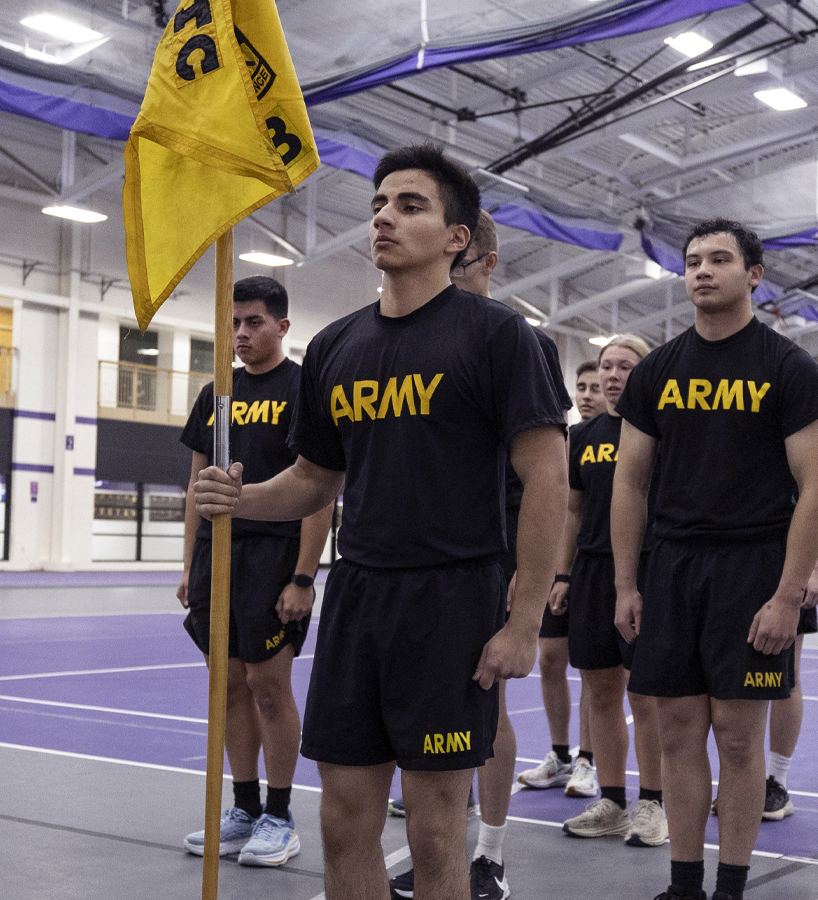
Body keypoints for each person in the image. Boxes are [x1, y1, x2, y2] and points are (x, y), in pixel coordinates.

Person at [192, 146, 567, 900]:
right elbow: (313, 478)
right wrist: (241, 499)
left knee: (433, 833)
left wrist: (523, 623)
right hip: (359, 597)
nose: (385, 217)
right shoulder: (336, 346)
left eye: (410, 205)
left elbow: (547, 477)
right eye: (378, 204)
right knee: (343, 820)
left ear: (458, 237)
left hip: (452, 600)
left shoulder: (499, 338)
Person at [612, 219, 818, 900]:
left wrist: (788, 592)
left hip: (752, 570)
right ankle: (685, 885)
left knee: (740, 742)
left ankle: (731, 886)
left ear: (754, 275)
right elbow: (629, 482)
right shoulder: (658, 369)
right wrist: (626, 582)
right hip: (673, 568)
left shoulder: (788, 368)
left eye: (718, 259)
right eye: (691, 261)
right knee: (678, 731)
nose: (702, 271)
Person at [392, 209, 561, 900]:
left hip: (491, 554)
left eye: (455, 266)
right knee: (429, 716)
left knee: (488, 711)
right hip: (418, 561)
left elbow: (542, 474)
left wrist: (529, 579)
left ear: (484, 262)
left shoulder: (518, 342)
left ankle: (489, 853)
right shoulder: (409, 338)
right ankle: (441, 851)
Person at [177, 276, 333, 867]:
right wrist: (190, 561)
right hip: (219, 557)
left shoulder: (304, 389)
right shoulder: (217, 392)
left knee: (270, 688)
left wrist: (303, 577)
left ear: (283, 326)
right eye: (235, 323)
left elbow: (320, 492)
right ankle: (243, 806)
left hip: (275, 557)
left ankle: (280, 814)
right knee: (229, 686)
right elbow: (196, 485)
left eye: (254, 323)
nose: (241, 334)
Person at [555, 334, 669, 848]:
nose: (614, 375)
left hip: (648, 572)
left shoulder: (663, 429)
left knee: (646, 695)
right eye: (607, 366)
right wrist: (561, 575)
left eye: (626, 366)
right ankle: (613, 801)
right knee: (600, 692)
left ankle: (654, 803)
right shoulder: (583, 436)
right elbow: (572, 512)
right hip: (593, 574)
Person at [517, 359, 607, 796]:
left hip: (598, 569)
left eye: (596, 386)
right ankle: (560, 754)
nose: (589, 394)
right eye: (582, 386)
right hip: (560, 567)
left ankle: (590, 760)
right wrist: (554, 571)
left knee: (592, 668)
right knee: (551, 658)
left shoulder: (628, 440)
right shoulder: (563, 441)